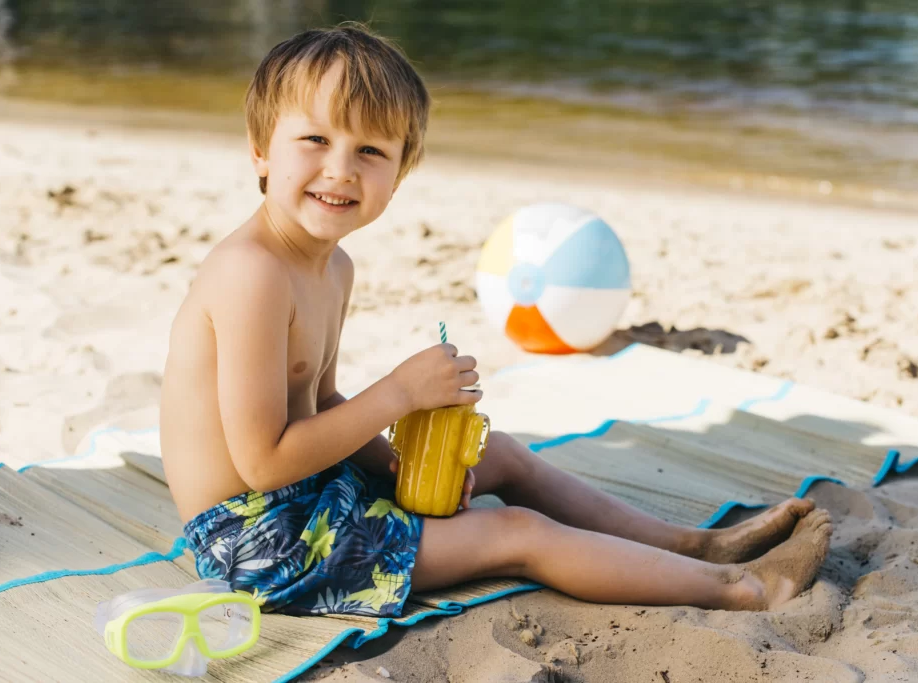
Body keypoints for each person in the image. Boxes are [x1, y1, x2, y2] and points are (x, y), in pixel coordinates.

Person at [160, 23, 832, 619]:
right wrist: (399, 393)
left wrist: (394, 465)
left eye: (371, 151)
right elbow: (264, 459)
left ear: (399, 175)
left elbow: (323, 401)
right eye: (314, 139)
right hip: (257, 543)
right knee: (515, 533)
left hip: (307, 495)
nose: (340, 169)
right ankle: (740, 589)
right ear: (260, 151)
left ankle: (693, 544)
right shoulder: (252, 273)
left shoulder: (334, 268)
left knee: (499, 453)